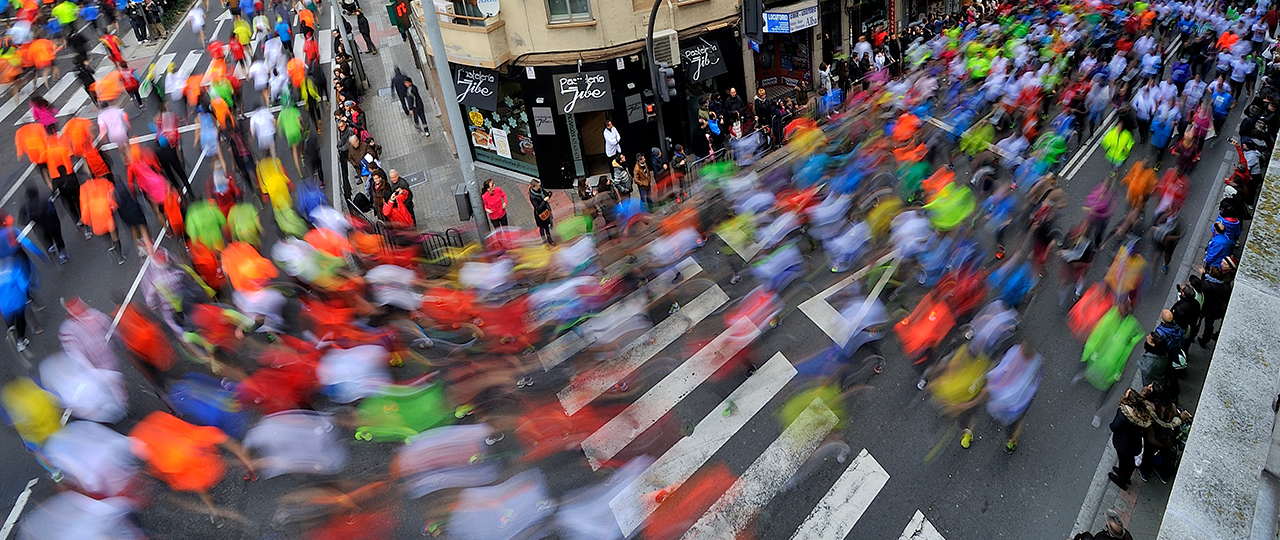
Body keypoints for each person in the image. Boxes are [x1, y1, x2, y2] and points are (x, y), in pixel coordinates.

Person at [20, 187, 66, 263]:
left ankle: (51, 250)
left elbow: (23, 221)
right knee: (58, 237)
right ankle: (62, 255)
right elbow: (53, 209)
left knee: (47, 240)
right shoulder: (45, 199)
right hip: (53, 223)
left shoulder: (26, 207)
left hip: (41, 228)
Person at [529, 179, 554, 245]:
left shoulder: (540, 189)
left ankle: (549, 239)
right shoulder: (532, 196)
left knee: (547, 227)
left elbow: (546, 194)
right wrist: (544, 201)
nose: (539, 187)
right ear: (534, 187)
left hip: (546, 211)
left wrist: (549, 195)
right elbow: (538, 208)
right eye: (537, 186)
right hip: (539, 215)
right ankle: (545, 242)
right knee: (542, 228)